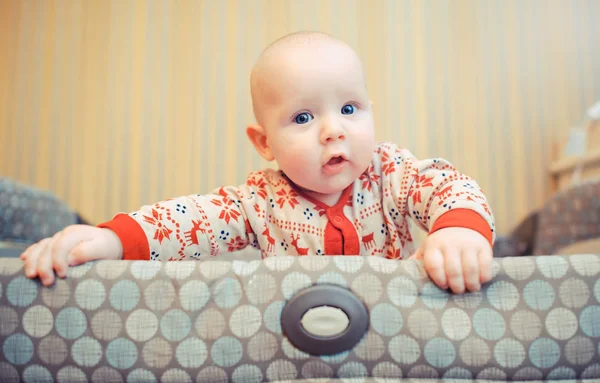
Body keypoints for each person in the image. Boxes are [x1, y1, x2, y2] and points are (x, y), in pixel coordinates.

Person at [21, 31, 495, 294]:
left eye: (349, 109)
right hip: (292, 369)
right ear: (264, 142)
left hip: (397, 361)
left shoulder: (393, 174)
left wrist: (457, 229)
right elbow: (186, 222)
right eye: (304, 117)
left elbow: (449, 186)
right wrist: (109, 238)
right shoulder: (258, 202)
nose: (334, 129)